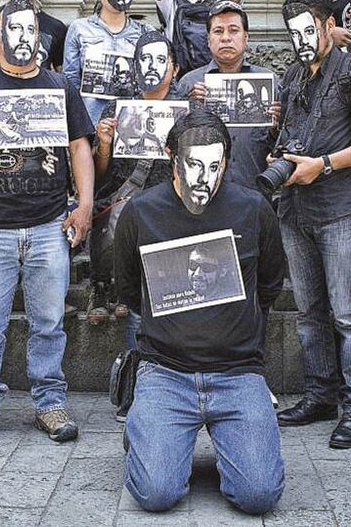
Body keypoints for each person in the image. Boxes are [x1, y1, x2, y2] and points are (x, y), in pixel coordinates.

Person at [115, 109, 285, 515]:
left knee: (258, 497)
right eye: (192, 164)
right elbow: (129, 291)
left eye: (214, 165)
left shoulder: (253, 208)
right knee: (155, 495)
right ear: (171, 156)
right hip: (165, 371)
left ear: (226, 161)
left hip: (238, 372)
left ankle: (197, 439)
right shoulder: (140, 212)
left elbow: (269, 285)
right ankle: (148, 428)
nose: (202, 178)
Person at [0, 0, 94, 449]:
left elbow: (80, 148)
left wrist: (84, 204)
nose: (23, 37)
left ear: (41, 36)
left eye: (31, 29)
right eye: (14, 29)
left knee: (48, 321)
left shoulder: (61, 86)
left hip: (50, 226)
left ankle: (50, 403)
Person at [271, 0, 351, 449]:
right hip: (294, 211)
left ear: (328, 25)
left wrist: (325, 165)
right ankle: (320, 394)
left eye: (307, 30)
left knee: (349, 315)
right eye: (292, 32)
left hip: (340, 211)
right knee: (309, 313)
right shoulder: (292, 77)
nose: (300, 40)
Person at [91, 32, 180, 334]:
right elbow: (100, 176)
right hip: (123, 210)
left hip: (170, 212)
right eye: (144, 58)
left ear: (173, 68)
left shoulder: (186, 112)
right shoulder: (115, 110)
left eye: (159, 59)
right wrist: (104, 144)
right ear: (134, 66)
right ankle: (105, 287)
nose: (151, 66)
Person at [175, 0, 281, 190]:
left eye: (233, 30)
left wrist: (276, 128)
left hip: (254, 193)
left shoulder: (270, 81)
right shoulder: (189, 83)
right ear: (208, 40)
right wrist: (190, 111)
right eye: (218, 31)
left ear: (246, 37)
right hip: (202, 194)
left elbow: (284, 146)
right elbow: (175, 146)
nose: (226, 38)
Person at [63, 0, 153, 123]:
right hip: (91, 123)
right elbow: (71, 81)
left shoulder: (146, 32)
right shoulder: (79, 28)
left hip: (132, 123)